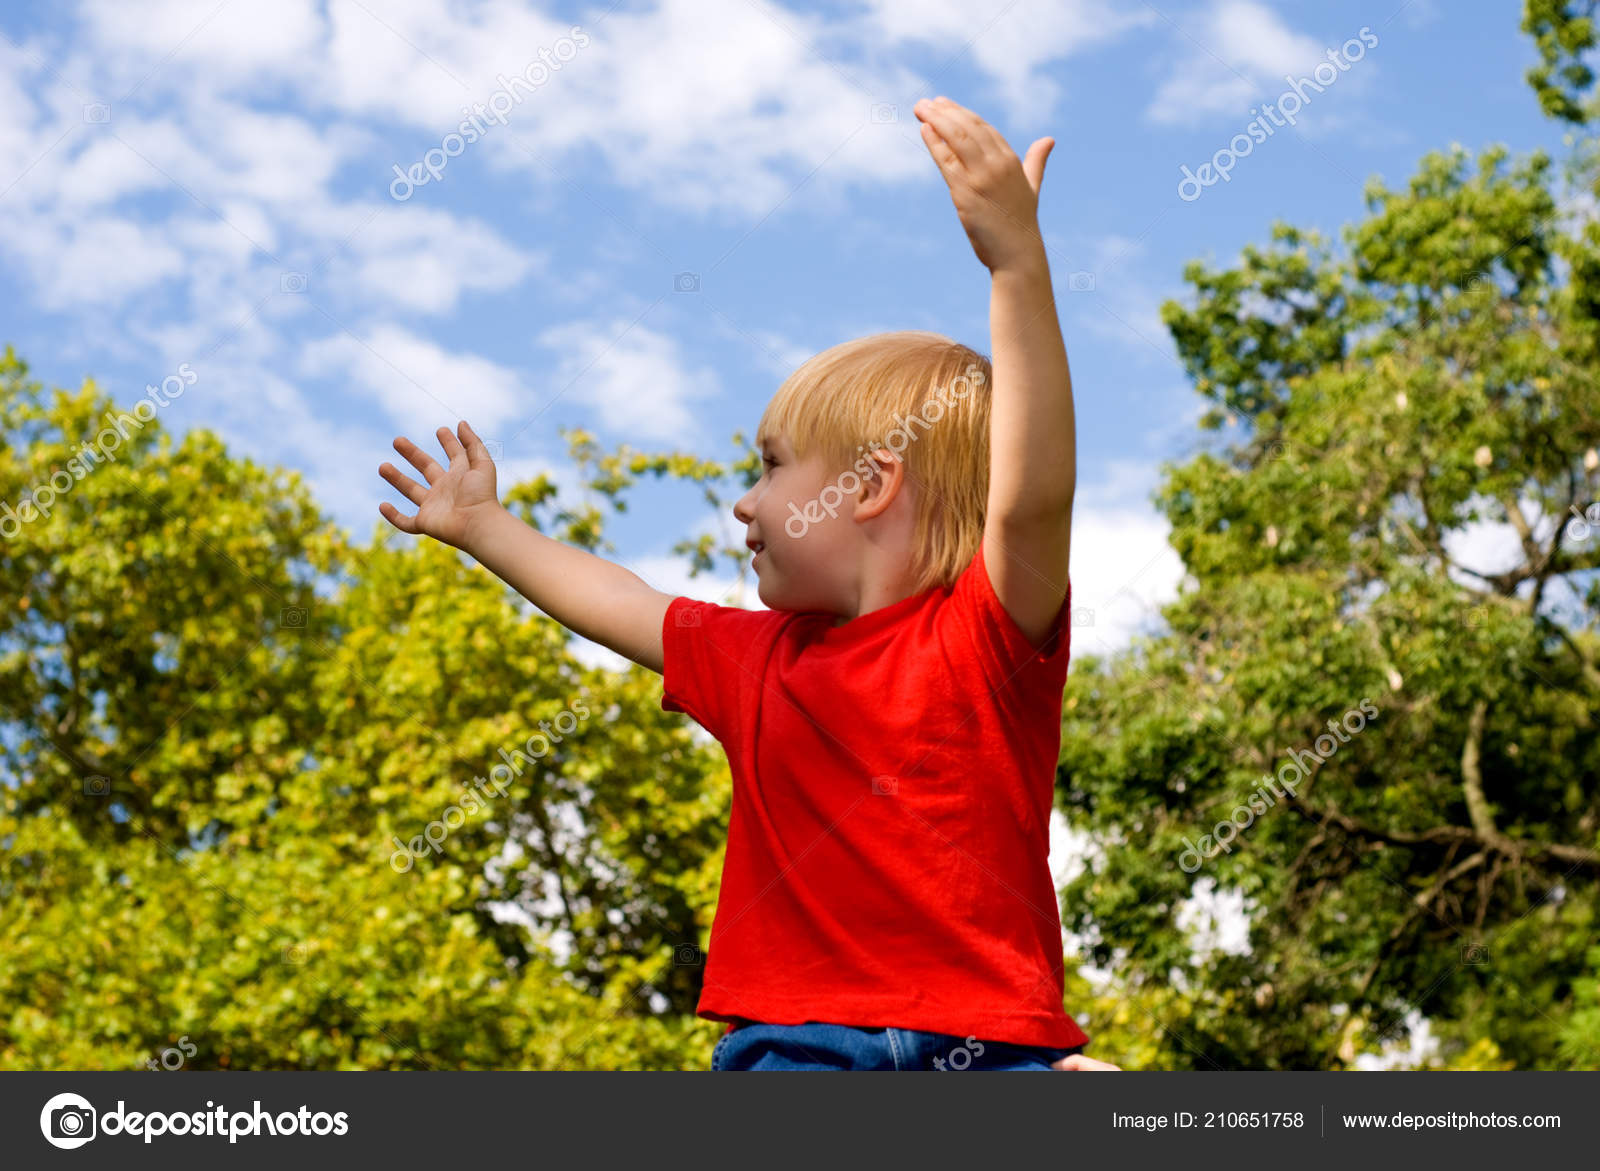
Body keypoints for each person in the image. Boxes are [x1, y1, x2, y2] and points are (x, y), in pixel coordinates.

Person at [377, 95, 1119, 1072]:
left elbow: (1030, 497)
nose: (743, 504)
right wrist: (484, 526)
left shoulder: (985, 640)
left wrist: (1016, 264)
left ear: (867, 486)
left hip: (989, 1051)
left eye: (768, 467)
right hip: (794, 1050)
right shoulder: (753, 661)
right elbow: (619, 600)